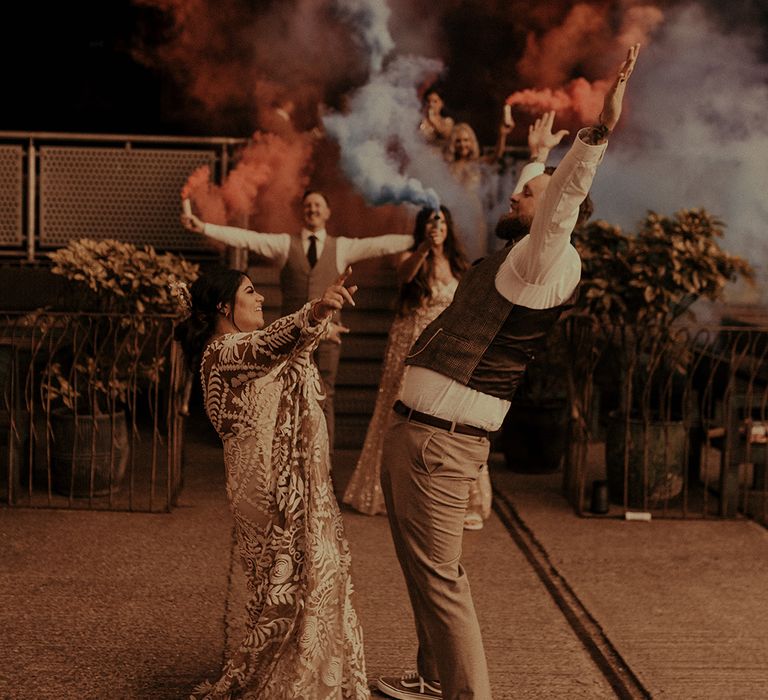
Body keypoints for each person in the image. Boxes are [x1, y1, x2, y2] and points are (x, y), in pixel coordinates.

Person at [376, 44, 640, 700]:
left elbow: (558, 203)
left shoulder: (543, 261)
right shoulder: (523, 256)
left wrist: (595, 134)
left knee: (442, 580)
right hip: (420, 433)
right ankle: (433, 679)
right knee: (423, 569)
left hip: (440, 440)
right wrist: (537, 156)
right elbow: (542, 198)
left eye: (526, 191)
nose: (517, 193)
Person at [173, 265, 369, 699]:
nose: (260, 297)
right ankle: (283, 682)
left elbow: (290, 351)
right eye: (250, 291)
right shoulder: (222, 351)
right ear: (224, 306)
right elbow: (269, 343)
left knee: (305, 575)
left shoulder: (238, 348)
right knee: (291, 579)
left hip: (276, 477)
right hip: (263, 483)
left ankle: (306, 675)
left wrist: (319, 319)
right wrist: (315, 309)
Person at [181, 189, 414, 458]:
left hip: (328, 336)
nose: (313, 209)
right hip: (287, 339)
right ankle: (290, 458)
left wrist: (418, 237)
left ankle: (322, 463)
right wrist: (204, 227)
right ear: (302, 212)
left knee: (323, 397)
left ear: (327, 212)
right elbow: (247, 239)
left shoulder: (342, 247)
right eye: (308, 206)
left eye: (318, 205)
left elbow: (381, 244)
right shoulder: (284, 245)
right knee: (287, 394)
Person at [342, 206, 474, 518]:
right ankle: (383, 489)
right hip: (411, 340)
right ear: (423, 227)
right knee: (398, 409)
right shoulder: (410, 255)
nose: (437, 225)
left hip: (446, 345)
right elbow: (405, 275)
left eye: (441, 220)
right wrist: (424, 249)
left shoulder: (457, 264)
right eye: (431, 220)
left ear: (449, 226)